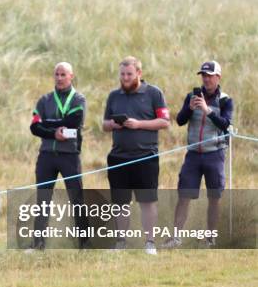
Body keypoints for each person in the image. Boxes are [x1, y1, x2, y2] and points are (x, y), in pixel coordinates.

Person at [102, 56, 170, 255]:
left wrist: (139, 124)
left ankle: (149, 242)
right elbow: (105, 124)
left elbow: (165, 122)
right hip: (118, 157)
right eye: (122, 74)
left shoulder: (154, 93)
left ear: (139, 73)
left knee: (147, 201)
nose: (125, 78)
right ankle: (120, 242)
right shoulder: (114, 96)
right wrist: (114, 124)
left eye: (129, 74)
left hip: (145, 157)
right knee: (120, 203)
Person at [163, 61, 233, 248]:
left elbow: (225, 123)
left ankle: (210, 239)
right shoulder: (192, 96)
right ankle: (176, 237)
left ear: (218, 77)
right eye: (203, 75)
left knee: (214, 197)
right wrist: (190, 108)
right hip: (193, 154)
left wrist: (207, 111)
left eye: (210, 75)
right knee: (184, 195)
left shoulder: (225, 100)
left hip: (215, 154)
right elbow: (179, 120)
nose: (206, 79)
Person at [29, 62, 89, 249]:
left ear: (71, 76)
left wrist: (48, 122)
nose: (59, 78)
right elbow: (35, 127)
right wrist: (53, 132)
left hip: (69, 155)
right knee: (43, 199)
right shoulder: (44, 100)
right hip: (47, 154)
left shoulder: (78, 99)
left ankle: (84, 242)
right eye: (57, 74)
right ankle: (38, 242)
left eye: (63, 74)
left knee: (76, 197)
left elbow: (74, 121)